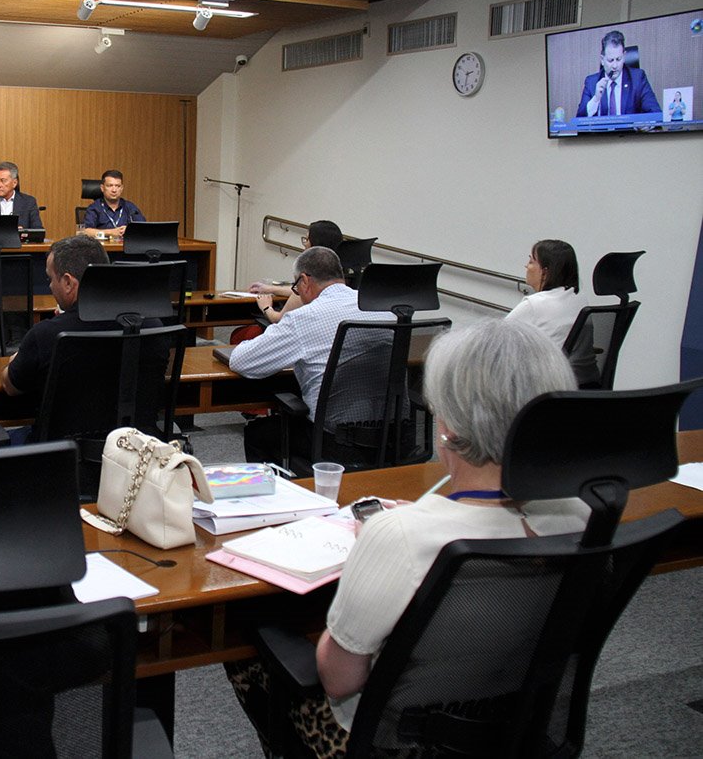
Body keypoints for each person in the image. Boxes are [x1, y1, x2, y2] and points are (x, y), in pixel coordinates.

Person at [226, 319, 589, 756]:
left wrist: (374, 557)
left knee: (243, 641)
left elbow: (339, 679)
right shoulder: (583, 516)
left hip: (393, 743)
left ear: (449, 426)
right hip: (514, 729)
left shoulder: (396, 536)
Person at [230, 246, 393, 464]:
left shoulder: (304, 318)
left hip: (333, 442)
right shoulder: (383, 310)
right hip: (390, 438)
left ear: (305, 281)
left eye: (296, 287)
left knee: (258, 434)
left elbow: (241, 361)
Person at [1, 234, 109, 401]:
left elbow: (10, 386)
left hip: (66, 427)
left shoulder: (45, 334)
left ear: (68, 283)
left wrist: (16, 359)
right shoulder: (149, 324)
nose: (50, 286)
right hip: (134, 428)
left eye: (50, 278)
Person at [505, 239, 598, 386]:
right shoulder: (579, 299)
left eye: (531, 261)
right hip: (582, 385)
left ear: (545, 272)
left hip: (546, 387)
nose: (526, 266)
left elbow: (495, 341)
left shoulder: (535, 304)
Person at [248, 220, 345, 324]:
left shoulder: (311, 275)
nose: (305, 244)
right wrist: (270, 289)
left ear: (315, 244)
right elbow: (299, 293)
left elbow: (279, 319)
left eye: (307, 239)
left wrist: (266, 307)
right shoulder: (339, 273)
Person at [576, 30, 659, 118]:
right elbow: (580, 119)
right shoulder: (591, 82)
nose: (615, 66)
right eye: (610, 60)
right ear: (602, 60)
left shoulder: (637, 78)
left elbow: (655, 112)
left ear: (624, 56)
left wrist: (647, 123)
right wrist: (596, 99)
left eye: (618, 59)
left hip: (630, 132)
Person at [0, 161, 43, 230]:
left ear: (14, 183)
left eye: (3, 180)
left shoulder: (29, 202)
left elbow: (38, 231)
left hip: (19, 242)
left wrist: (22, 232)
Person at [82, 169, 145, 237]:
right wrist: (110, 232)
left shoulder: (130, 207)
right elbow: (85, 231)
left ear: (122, 188)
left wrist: (129, 230)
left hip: (126, 246)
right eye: (110, 186)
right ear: (102, 188)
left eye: (117, 186)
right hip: (102, 246)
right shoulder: (94, 208)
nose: (114, 190)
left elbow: (143, 228)